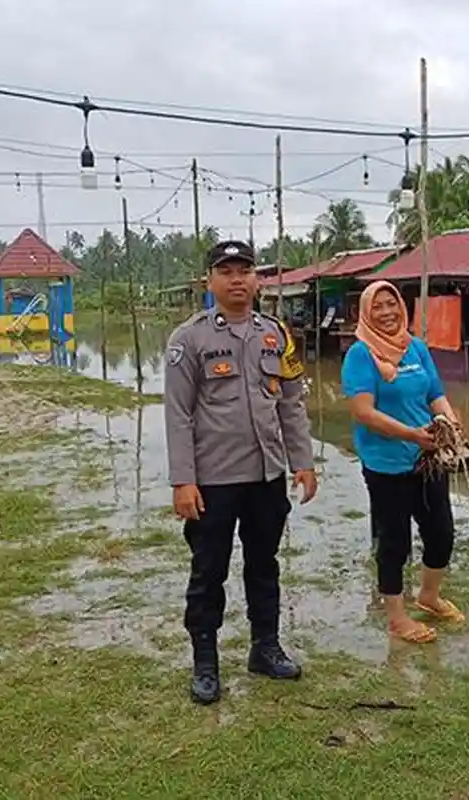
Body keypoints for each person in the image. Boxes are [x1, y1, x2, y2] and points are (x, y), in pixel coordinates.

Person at [163, 239, 319, 705]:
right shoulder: (188, 339)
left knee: (264, 565)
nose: (237, 279)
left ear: (257, 279)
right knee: (208, 571)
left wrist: (304, 462)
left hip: (266, 478)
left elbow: (291, 403)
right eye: (226, 271)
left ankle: (265, 648)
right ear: (209, 281)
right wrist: (182, 480)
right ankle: (205, 663)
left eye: (244, 270)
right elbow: (178, 414)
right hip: (212, 480)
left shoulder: (276, 334)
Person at [340, 280, 464, 644]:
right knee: (394, 542)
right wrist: (411, 435)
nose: (387, 312)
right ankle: (397, 618)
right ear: (364, 312)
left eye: (391, 304)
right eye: (377, 306)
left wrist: (451, 424)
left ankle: (428, 596)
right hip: (386, 464)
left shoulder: (416, 348)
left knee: (441, 532)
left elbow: (435, 395)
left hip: (427, 459)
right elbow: (364, 413)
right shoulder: (360, 355)